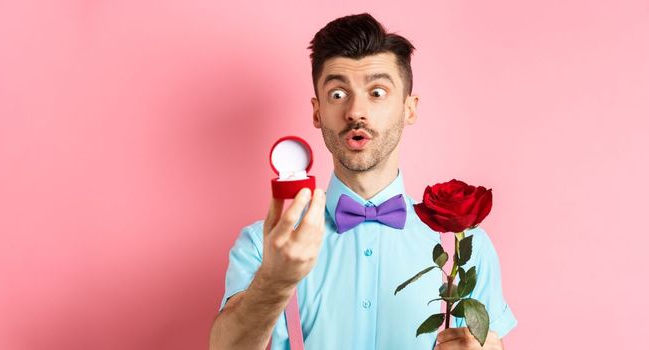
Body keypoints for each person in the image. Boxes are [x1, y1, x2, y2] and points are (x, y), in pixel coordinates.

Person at [208, 13, 516, 350]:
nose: (356, 111)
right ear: (317, 112)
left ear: (409, 109)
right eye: (338, 94)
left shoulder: (464, 246)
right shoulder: (262, 245)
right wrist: (275, 280)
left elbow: (489, 344)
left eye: (378, 92)